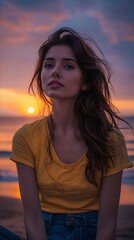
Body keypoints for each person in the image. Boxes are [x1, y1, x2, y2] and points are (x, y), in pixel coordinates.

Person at [0, 27, 133, 240]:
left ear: (86, 82)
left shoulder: (110, 140)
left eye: (68, 66)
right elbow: (32, 218)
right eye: (49, 65)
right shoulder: (26, 137)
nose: (55, 71)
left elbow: (108, 224)